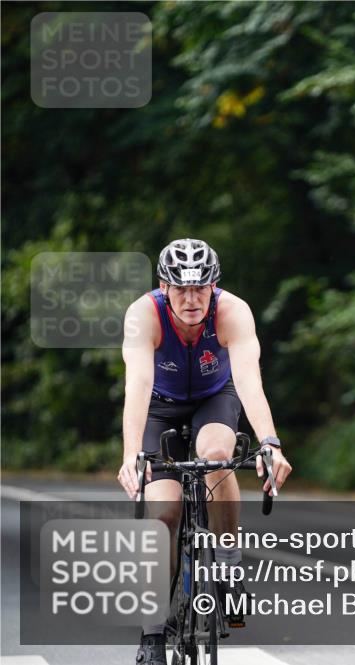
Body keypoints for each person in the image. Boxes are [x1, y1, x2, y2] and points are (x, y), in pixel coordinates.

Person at [117, 238, 293, 665]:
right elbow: (137, 385)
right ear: (164, 285)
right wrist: (130, 455)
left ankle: (229, 566)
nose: (192, 299)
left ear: (215, 285)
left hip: (217, 398)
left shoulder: (233, 311)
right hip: (159, 406)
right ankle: (153, 634)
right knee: (163, 517)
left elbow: (250, 381)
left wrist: (269, 441)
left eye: (201, 288)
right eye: (181, 288)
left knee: (216, 455)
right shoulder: (145, 315)